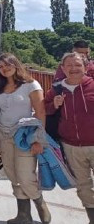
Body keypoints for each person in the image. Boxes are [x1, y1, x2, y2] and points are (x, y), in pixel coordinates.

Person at [0, 53, 51, 224]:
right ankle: (23, 215)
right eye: (0, 67)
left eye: (7, 64)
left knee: (26, 176)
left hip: (24, 136)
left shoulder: (30, 85)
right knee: (13, 175)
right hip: (3, 136)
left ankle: (39, 202)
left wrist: (38, 139)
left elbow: (40, 113)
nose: (4, 68)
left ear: (16, 64)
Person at [44, 52, 94, 222]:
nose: (73, 69)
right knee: (83, 186)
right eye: (69, 65)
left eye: (78, 65)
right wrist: (54, 105)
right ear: (63, 68)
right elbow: (44, 109)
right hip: (71, 146)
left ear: (86, 67)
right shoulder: (57, 89)